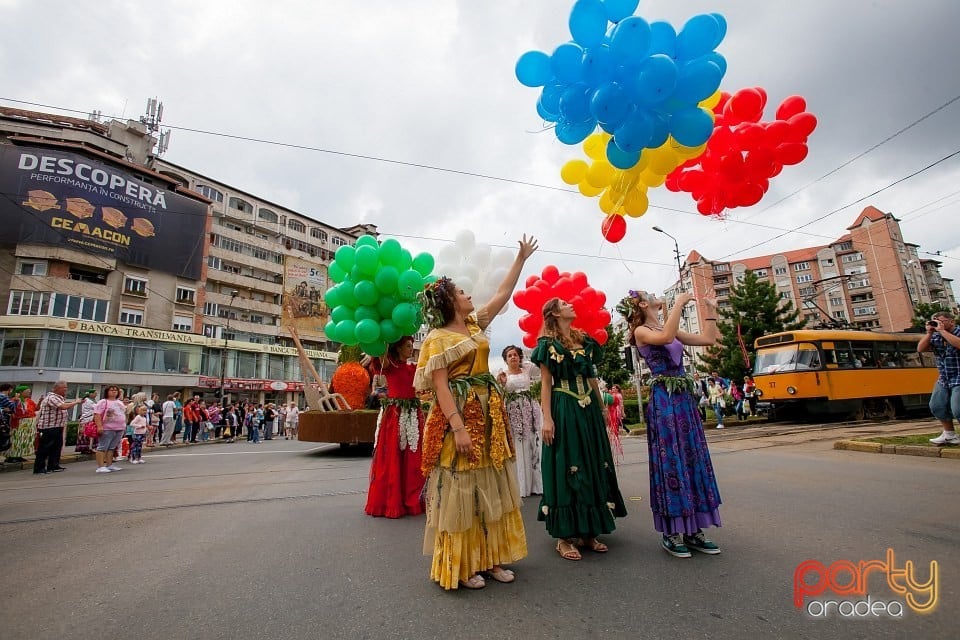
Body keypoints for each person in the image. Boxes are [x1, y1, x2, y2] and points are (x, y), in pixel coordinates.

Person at [413, 234, 537, 590]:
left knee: (492, 483)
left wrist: (520, 259)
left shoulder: (474, 326)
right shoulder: (438, 338)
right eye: (463, 292)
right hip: (460, 415)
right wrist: (458, 428)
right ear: (450, 302)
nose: (469, 295)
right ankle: (464, 563)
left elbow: (502, 295)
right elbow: (440, 386)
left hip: (490, 412)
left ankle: (491, 557)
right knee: (462, 487)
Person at [622, 289, 723, 559]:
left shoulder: (665, 327)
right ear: (644, 304)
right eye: (650, 293)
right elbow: (666, 337)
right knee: (671, 459)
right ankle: (671, 532)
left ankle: (694, 530)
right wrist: (677, 303)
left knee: (691, 457)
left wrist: (711, 310)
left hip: (683, 399)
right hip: (664, 401)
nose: (656, 294)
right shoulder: (642, 331)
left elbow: (708, 339)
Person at [532, 298, 627, 562]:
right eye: (564, 303)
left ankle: (588, 531)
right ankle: (564, 537)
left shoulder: (583, 340)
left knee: (592, 463)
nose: (571, 304)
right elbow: (546, 384)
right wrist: (547, 418)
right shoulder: (547, 346)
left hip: (587, 412)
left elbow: (591, 377)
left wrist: (601, 409)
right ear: (553, 312)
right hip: (564, 408)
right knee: (567, 464)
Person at [365, 336, 426, 518]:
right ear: (398, 348)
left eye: (412, 345)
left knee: (413, 457)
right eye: (407, 346)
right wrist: (382, 334)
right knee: (393, 457)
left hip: (413, 414)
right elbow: (381, 355)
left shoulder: (414, 368)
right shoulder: (391, 366)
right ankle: (393, 501)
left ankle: (412, 498)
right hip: (395, 415)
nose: (411, 348)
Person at [498, 344, 543, 498]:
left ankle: (537, 484)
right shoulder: (502, 374)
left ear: (520, 357)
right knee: (518, 444)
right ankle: (521, 485)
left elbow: (541, 368)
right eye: (509, 355)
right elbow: (500, 394)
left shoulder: (527, 369)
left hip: (530, 409)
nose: (513, 357)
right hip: (514, 412)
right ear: (505, 359)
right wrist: (502, 384)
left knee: (534, 443)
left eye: (515, 355)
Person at [919, 312, 960, 445]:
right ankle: (949, 435)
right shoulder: (935, 336)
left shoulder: (957, 332)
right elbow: (921, 349)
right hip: (944, 377)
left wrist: (942, 331)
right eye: (934, 321)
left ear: (951, 321)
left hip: (959, 377)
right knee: (937, 406)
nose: (937, 323)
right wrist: (929, 333)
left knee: (957, 408)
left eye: (940, 321)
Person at [33, 381, 82, 475]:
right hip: (49, 427)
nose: (66, 389)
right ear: (56, 388)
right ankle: (39, 468)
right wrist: (76, 402)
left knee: (56, 447)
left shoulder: (59, 398)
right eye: (64, 388)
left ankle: (53, 465)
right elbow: (63, 407)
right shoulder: (52, 397)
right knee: (45, 447)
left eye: (66, 387)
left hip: (58, 426)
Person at [94, 385, 128, 473]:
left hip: (119, 427)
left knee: (112, 447)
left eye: (115, 390)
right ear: (107, 392)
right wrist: (99, 426)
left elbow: (124, 413)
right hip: (107, 428)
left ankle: (109, 464)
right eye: (111, 390)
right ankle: (100, 466)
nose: (114, 392)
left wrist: (124, 426)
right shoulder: (103, 402)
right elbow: (97, 414)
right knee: (102, 447)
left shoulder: (119, 402)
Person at [6, 385, 38, 463]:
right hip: (18, 423)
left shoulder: (29, 401)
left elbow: (36, 408)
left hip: (27, 424)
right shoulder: (15, 400)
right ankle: (11, 456)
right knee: (15, 439)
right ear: (21, 392)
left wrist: (40, 401)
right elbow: (11, 410)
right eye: (27, 391)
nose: (29, 392)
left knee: (23, 440)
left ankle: (19, 455)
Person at [75, 389, 98, 454]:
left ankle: (89, 447)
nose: (96, 394)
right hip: (87, 419)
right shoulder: (88, 401)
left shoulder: (91, 400)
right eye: (95, 393)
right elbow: (96, 408)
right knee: (87, 434)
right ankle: (86, 448)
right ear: (91, 394)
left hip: (90, 419)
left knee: (90, 434)